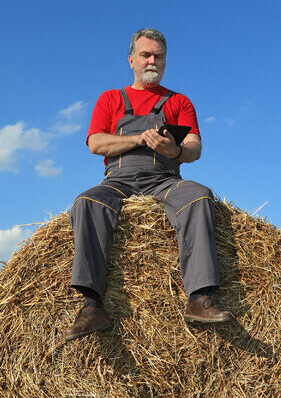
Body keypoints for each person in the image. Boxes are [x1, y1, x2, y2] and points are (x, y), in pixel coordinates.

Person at [64, 28, 232, 341]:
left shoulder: (179, 102)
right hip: (119, 179)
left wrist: (176, 151)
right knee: (87, 202)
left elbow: (194, 148)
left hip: (164, 178)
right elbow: (96, 143)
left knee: (199, 196)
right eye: (146, 55)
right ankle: (92, 306)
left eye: (158, 56)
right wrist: (137, 138)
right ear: (132, 60)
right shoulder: (111, 98)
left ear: (165, 61)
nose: (152, 60)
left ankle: (198, 298)